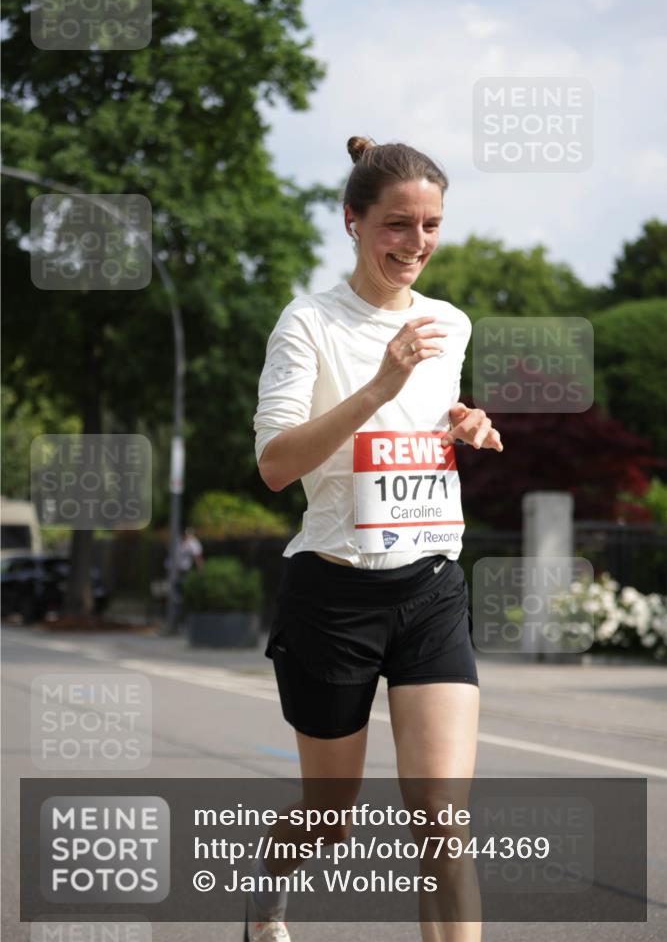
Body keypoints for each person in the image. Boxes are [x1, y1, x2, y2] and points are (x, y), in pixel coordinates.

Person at [248, 137, 503, 942]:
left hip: (429, 586)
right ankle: (266, 901)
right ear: (352, 221)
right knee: (329, 817)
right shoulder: (307, 324)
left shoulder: (449, 322)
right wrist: (379, 385)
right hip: (333, 595)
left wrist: (461, 421)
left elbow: (422, 418)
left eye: (431, 225)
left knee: (441, 821)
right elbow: (276, 466)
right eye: (397, 225)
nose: (416, 244)